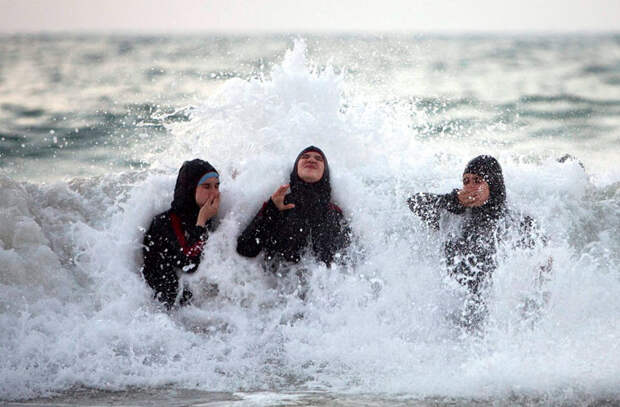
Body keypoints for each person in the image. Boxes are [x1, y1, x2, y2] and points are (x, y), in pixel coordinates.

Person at [407, 155, 548, 329]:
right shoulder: (454, 216)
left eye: (477, 181)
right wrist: (453, 201)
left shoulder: (516, 221)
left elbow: (542, 264)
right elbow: (415, 203)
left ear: (493, 184)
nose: (470, 187)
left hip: (495, 318)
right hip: (453, 311)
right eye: (466, 181)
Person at [236, 146, 351, 280]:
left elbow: (348, 261)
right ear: (296, 168)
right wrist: (271, 209)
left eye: (318, 159)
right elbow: (245, 248)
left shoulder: (334, 212)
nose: (312, 160)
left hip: (321, 293)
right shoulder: (279, 203)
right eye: (305, 157)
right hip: (278, 292)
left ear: (324, 172)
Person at [142, 159, 220, 309]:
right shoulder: (166, 222)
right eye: (207, 186)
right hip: (161, 309)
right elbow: (189, 264)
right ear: (191, 188)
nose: (214, 193)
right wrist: (202, 220)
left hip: (186, 306)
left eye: (217, 186)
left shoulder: (204, 214)